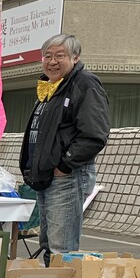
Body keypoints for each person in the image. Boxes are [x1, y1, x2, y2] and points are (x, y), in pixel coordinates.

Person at [20, 34, 109, 264]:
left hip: (66, 177)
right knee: (47, 244)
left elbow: (94, 135)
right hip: (45, 177)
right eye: (47, 56)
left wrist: (65, 165)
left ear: (75, 57)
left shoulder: (85, 83)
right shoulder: (49, 88)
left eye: (60, 56)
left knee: (62, 248)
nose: (52, 61)